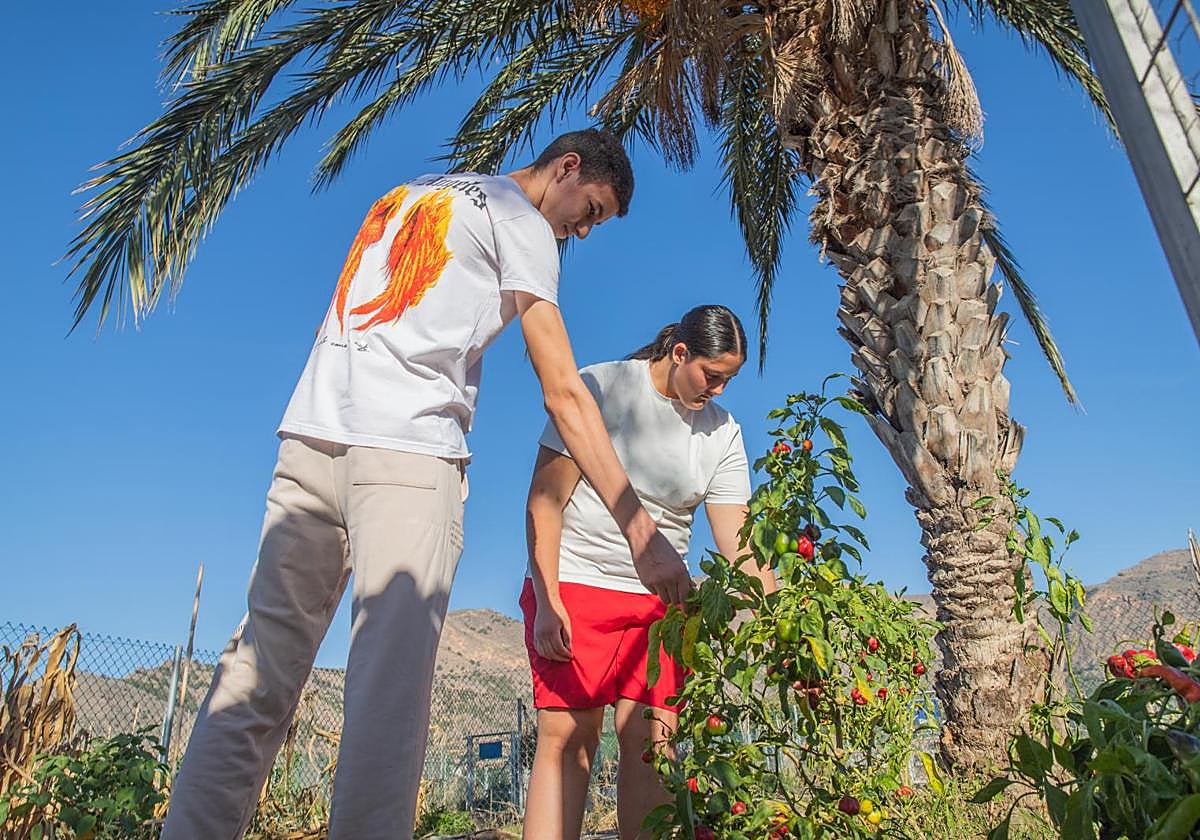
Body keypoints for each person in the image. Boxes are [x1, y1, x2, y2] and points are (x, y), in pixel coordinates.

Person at [161, 129, 694, 840]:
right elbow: (564, 392)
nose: (583, 230)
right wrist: (639, 530)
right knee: (387, 694)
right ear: (566, 168)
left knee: (256, 675)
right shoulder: (521, 221)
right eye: (589, 209)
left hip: (309, 443)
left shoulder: (407, 194)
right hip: (406, 460)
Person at [520, 305, 777, 840]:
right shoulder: (602, 387)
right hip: (578, 586)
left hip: (660, 610)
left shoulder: (723, 433)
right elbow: (544, 501)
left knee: (654, 746)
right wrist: (546, 600)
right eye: (712, 376)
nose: (719, 391)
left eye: (728, 380)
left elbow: (741, 543)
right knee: (569, 740)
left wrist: (776, 621)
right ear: (679, 353)